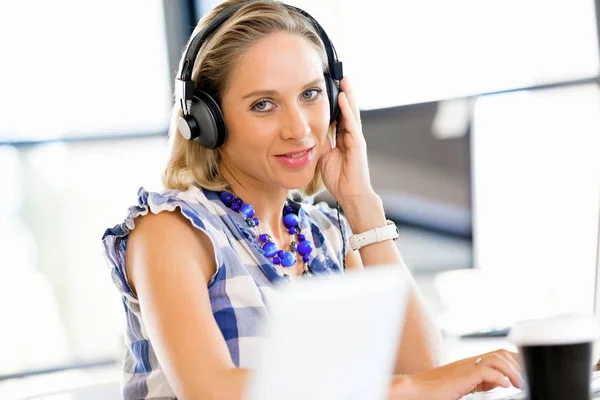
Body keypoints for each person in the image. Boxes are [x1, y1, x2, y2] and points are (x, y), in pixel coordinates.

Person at [102, 1, 523, 399]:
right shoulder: (171, 229)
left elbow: (426, 370)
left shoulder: (328, 234)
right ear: (207, 120)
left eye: (310, 94)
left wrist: (360, 202)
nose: (299, 128)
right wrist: (407, 389)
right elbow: (212, 389)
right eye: (263, 105)